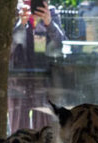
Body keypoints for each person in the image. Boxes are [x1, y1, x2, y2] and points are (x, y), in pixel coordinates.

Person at [8, 0, 66, 132]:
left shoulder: (51, 13)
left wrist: (49, 23)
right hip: (18, 83)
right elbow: (7, 48)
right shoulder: (13, 12)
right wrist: (21, 24)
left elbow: (61, 45)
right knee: (18, 133)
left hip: (44, 84)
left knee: (44, 134)